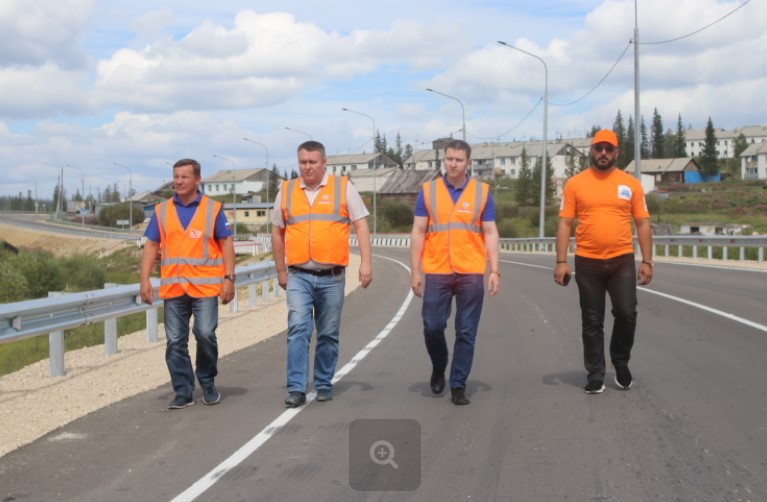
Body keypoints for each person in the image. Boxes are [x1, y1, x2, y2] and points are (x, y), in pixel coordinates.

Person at [271, 141, 373, 408]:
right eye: (303, 162)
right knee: (298, 329)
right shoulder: (286, 190)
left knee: (328, 332)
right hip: (298, 275)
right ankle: (296, 387)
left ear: (324, 162)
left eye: (313, 162)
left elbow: (361, 225)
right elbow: (277, 231)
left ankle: (324, 382)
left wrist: (366, 263)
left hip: (332, 276)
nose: (307, 167)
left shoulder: (343, 187)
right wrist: (280, 269)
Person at [554, 129, 654, 394]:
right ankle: (596, 373)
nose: (603, 153)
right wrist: (561, 261)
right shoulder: (576, 183)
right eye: (599, 148)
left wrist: (647, 261)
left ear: (616, 152)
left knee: (626, 312)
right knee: (592, 319)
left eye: (609, 149)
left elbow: (642, 223)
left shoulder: (630, 184)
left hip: (621, 261)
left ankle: (620, 362)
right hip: (588, 262)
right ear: (592, 150)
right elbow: (565, 222)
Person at [410, 139, 501, 406]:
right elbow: (417, 232)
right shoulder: (428, 192)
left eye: (458, 160)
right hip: (437, 269)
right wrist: (415, 271)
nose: (453, 164)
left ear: (468, 163)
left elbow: (491, 232)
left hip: (471, 270)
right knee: (432, 326)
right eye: (449, 159)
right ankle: (440, 365)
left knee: (466, 331)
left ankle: (458, 384)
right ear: (444, 160)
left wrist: (495, 270)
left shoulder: (482, 192)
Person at [140, 158, 235, 409]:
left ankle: (207, 382)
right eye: (176, 176)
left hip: (205, 289)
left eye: (184, 177)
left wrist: (229, 278)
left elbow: (226, 244)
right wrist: (145, 280)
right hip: (173, 288)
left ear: (197, 180)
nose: (179, 181)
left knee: (205, 335)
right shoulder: (161, 211)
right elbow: (151, 245)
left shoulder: (212, 209)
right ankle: (182, 390)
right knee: (175, 342)